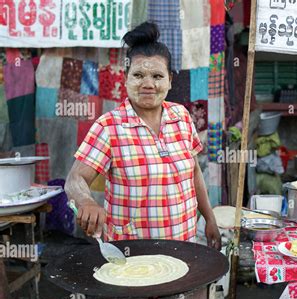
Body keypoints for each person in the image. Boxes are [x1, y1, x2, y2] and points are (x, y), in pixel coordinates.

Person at [65, 22, 221, 250]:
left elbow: (195, 172)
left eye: (157, 76)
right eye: (138, 75)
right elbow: (74, 180)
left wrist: (210, 218)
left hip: (184, 247)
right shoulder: (109, 126)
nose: (148, 84)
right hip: (132, 255)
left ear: (170, 80)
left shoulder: (182, 117)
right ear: (125, 78)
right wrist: (86, 201)